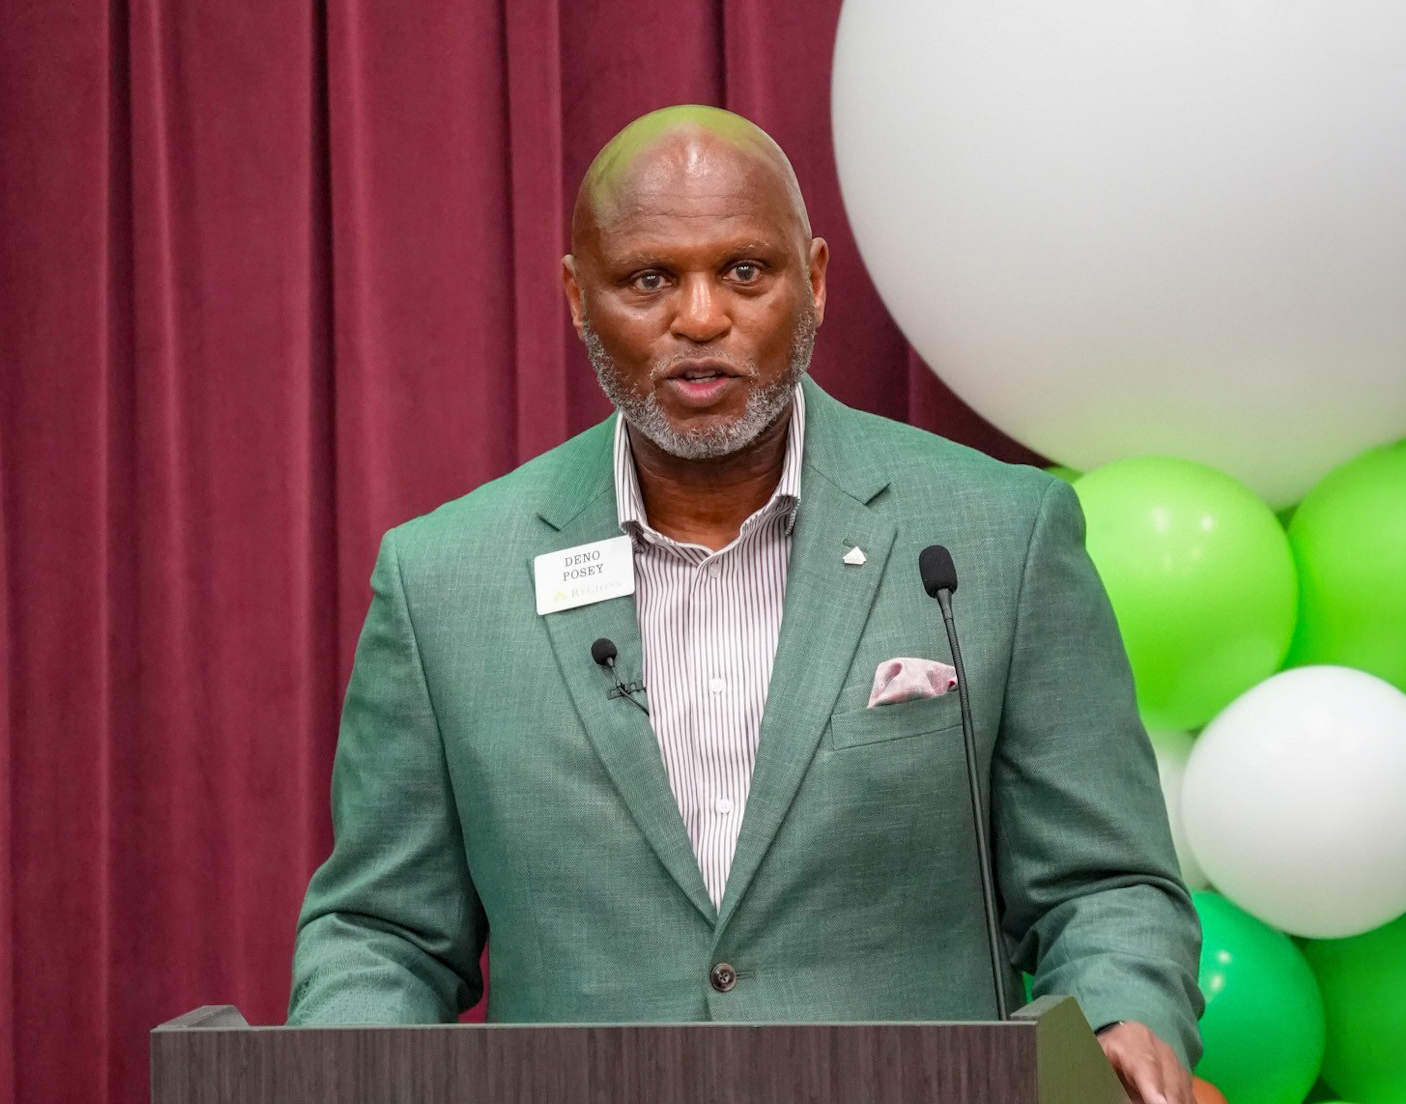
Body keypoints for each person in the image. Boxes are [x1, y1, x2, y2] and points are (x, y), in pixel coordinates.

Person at [289, 105, 1204, 1103]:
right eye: (648, 279)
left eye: (743, 272)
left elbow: (1101, 886)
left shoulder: (996, 537)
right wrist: (345, 1055)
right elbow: (382, 931)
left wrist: (1123, 1014)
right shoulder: (445, 582)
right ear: (575, 296)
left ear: (811, 280)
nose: (698, 318)